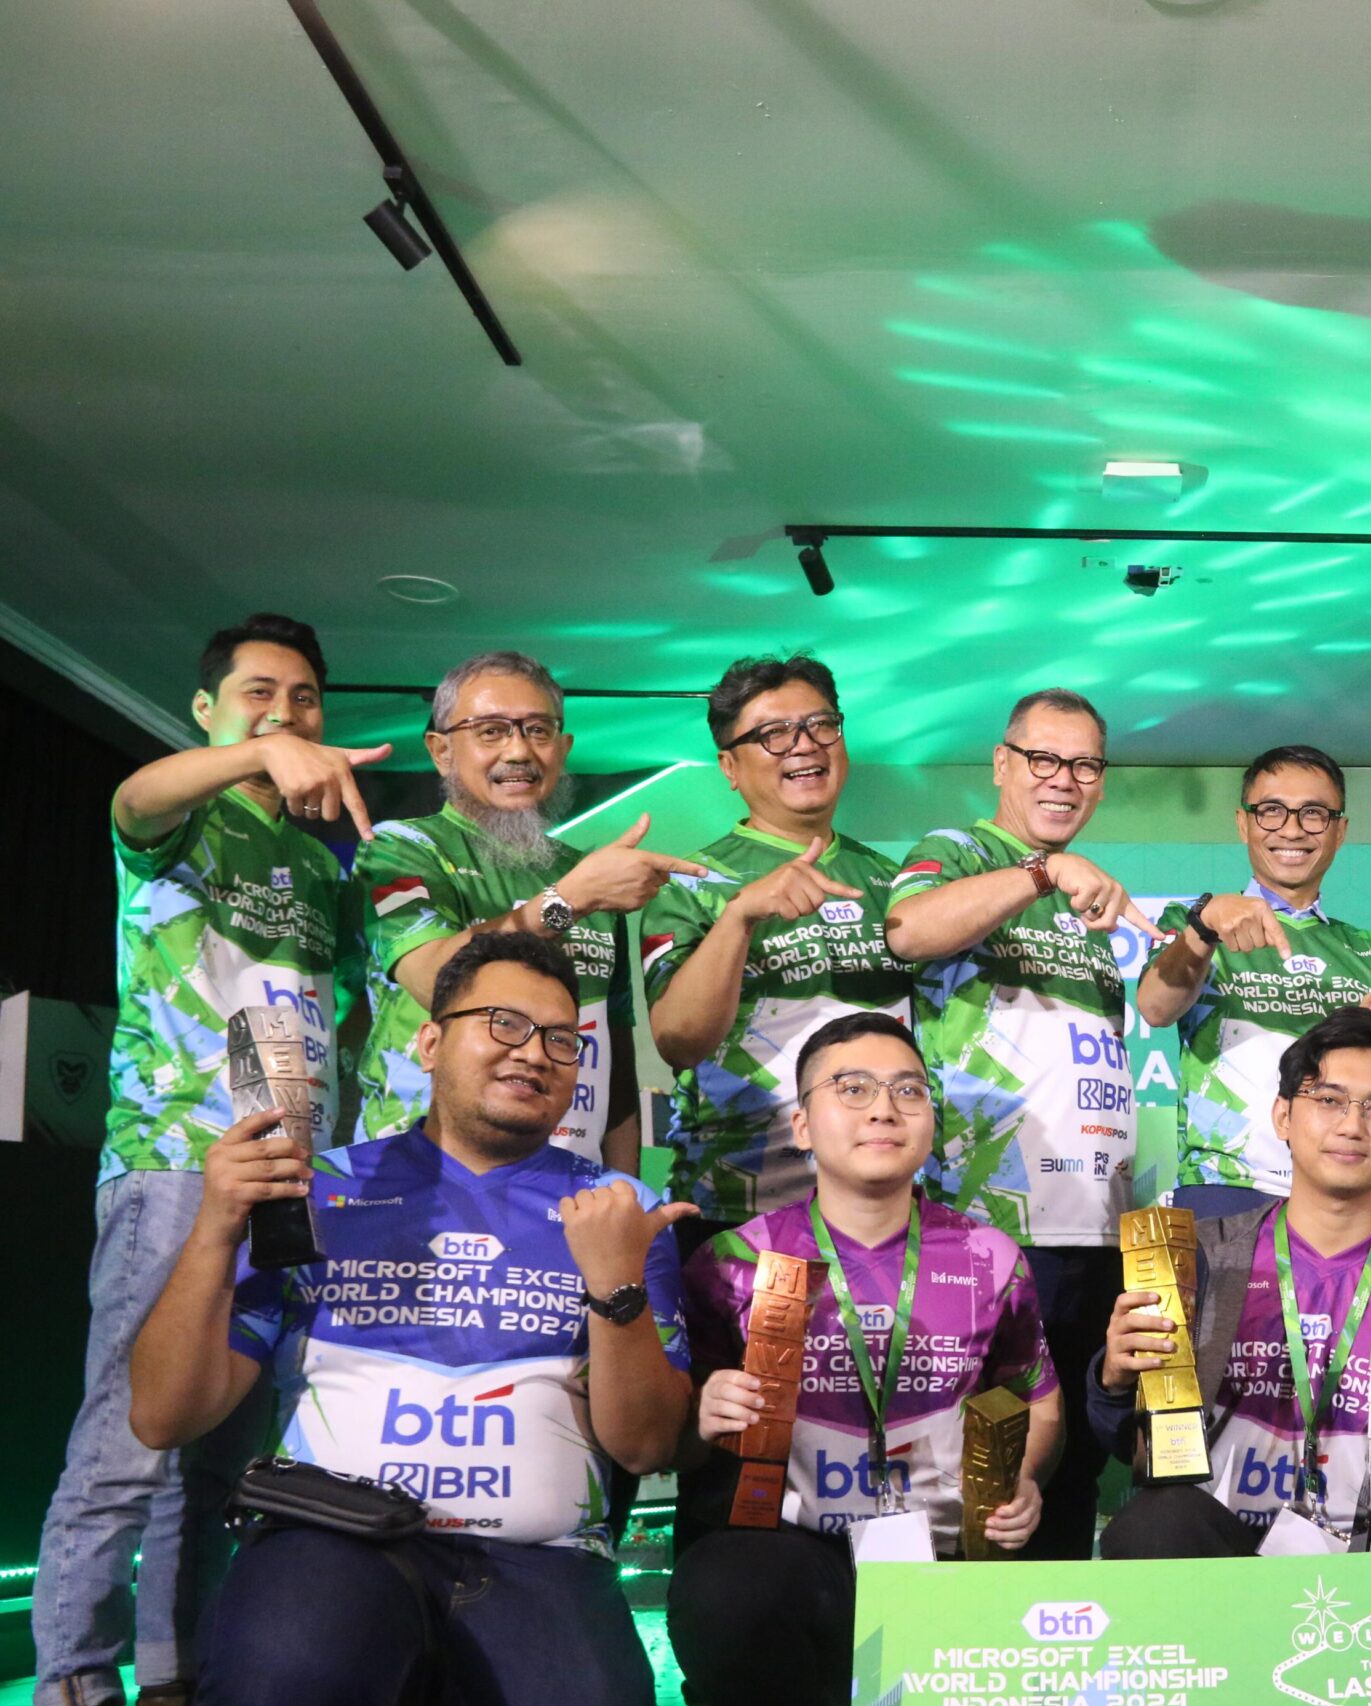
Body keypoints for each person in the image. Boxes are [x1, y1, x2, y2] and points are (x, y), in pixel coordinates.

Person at [128, 932, 697, 1706]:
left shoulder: (619, 1211)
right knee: (287, 1673)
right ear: (429, 1043)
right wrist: (214, 1228)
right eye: (503, 1023)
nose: (534, 1053)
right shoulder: (314, 1190)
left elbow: (647, 1446)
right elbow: (162, 1417)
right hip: (332, 1544)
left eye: (561, 1040)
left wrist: (615, 1286)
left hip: (541, 1560)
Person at [33, 614, 381, 1706]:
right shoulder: (182, 817)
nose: (287, 713)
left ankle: (177, 1675)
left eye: (305, 698)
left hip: (291, 1177)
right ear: (206, 709)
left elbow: (347, 1006)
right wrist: (260, 753)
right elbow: (133, 797)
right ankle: (75, 1679)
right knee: (126, 1444)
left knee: (220, 1452)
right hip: (175, 1162)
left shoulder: (323, 860)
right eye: (258, 693)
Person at [670, 1012, 1059, 1706]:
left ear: (931, 1123)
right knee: (726, 1588)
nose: (884, 1109)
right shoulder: (732, 1261)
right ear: (801, 1126)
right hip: (790, 1553)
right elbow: (668, 1440)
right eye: (852, 1089)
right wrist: (701, 1413)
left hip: (944, 1556)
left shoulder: (990, 1256)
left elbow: (1037, 1398)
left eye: (908, 1091)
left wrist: (1022, 1480)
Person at [882, 687, 1157, 1559]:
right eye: (1043, 759)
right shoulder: (959, 852)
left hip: (1092, 1231)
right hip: (989, 1230)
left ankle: (1055, 1635)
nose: (1063, 780)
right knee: (982, 1477)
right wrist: (1041, 873)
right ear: (1002, 764)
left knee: (1066, 1477)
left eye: (1084, 765)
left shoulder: (1091, 901)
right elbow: (907, 931)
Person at [1091, 1006, 1371, 1555]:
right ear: (1282, 1116)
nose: (1351, 1125)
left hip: (1366, 1558)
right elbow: (1124, 1441)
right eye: (1328, 1100)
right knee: (1152, 1526)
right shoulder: (1200, 1258)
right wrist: (1114, 1381)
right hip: (1216, 1545)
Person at [354, 650, 705, 1173]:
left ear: (563, 749)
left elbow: (614, 1058)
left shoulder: (589, 874)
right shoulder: (402, 848)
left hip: (568, 1182)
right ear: (441, 750)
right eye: (491, 731)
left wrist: (625, 1189)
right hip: (422, 1175)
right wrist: (569, 901)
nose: (519, 751)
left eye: (538, 731)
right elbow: (432, 979)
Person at [643, 654, 911, 1227]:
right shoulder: (691, 884)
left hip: (879, 1213)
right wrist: (739, 918)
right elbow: (678, 1041)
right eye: (774, 733)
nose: (804, 745)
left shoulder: (895, 882)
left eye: (821, 725)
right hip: (734, 1210)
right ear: (729, 766)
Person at [1136, 743, 1371, 1217]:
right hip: (1227, 1189)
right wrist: (1204, 926)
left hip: (1349, 1193)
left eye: (1313, 813)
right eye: (1271, 811)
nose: (1292, 829)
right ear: (1243, 823)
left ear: (1339, 830)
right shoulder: (1196, 924)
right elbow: (1154, 1007)